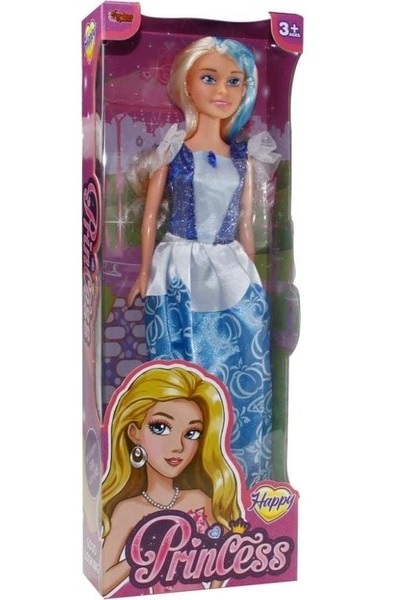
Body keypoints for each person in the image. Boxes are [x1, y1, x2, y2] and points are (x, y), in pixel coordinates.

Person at [127, 36, 280, 486]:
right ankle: (182, 480)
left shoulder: (245, 156)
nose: (223, 90)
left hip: (232, 268)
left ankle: (244, 476)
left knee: (243, 362)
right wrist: (143, 271)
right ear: (187, 86)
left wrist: (254, 279)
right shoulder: (173, 150)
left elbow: (246, 224)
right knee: (181, 368)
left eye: (235, 81)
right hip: (179, 266)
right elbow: (150, 217)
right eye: (210, 78)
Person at [101, 363, 242, 596]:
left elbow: (226, 554)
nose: (178, 446)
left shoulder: (199, 500)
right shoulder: (128, 510)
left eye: (192, 433)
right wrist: (141, 554)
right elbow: (104, 581)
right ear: (135, 433)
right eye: (160, 427)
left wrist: (216, 590)